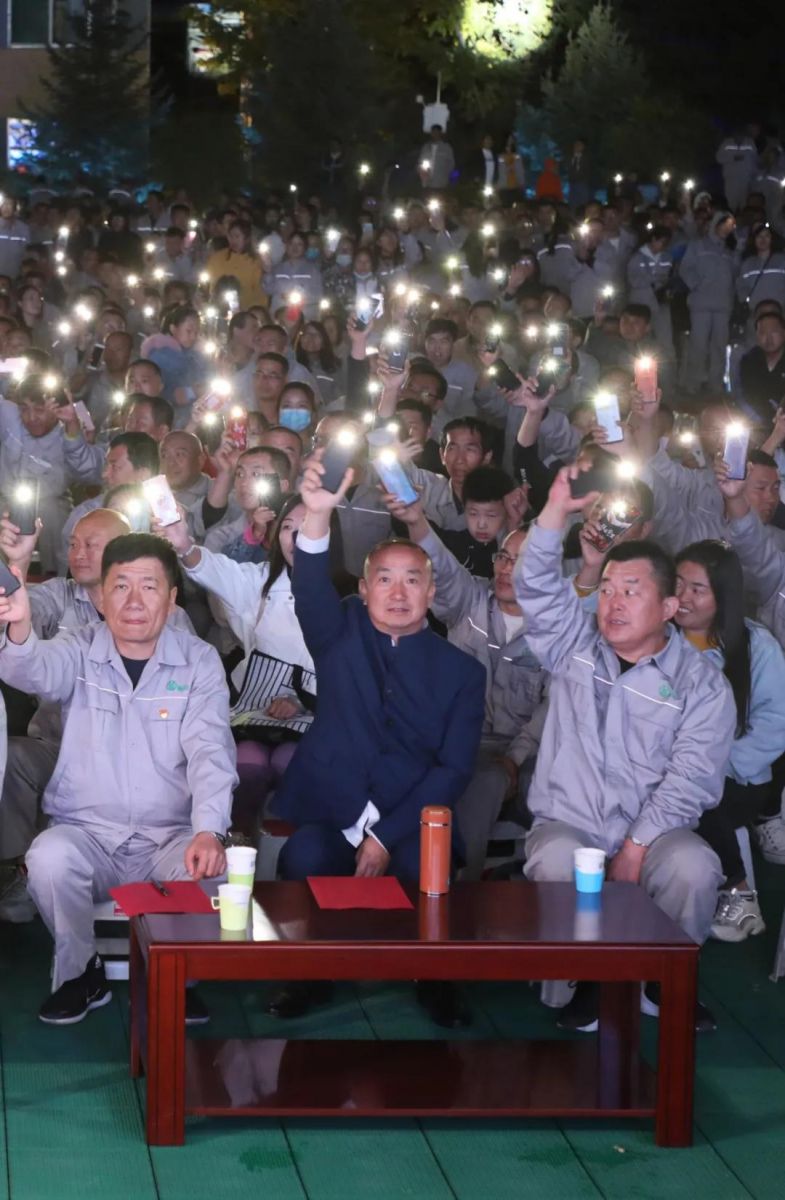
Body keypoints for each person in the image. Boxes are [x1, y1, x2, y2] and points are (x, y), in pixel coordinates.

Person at [514, 464, 736, 1033]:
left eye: (631, 592)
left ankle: (664, 983)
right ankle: (585, 980)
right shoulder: (573, 645)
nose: (612, 603)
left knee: (693, 863)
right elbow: (535, 587)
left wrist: (637, 845)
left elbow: (694, 779)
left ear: (669, 608)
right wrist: (552, 514)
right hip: (572, 822)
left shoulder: (702, 682)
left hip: (654, 832)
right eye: (607, 589)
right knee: (560, 859)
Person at [266, 449, 485, 1022]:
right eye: (383, 579)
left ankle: (432, 976)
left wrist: (385, 835)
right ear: (364, 591)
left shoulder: (462, 672)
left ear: (431, 595)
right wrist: (316, 515)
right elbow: (311, 587)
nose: (397, 592)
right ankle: (313, 974)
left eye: (412, 580)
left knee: (423, 870)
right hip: (335, 806)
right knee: (304, 854)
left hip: (411, 818)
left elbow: (453, 770)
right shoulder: (339, 634)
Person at [0, 533, 236, 1024]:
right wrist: (20, 627)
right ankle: (79, 975)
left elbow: (211, 750)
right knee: (47, 856)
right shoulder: (79, 648)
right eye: (121, 586)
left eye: (149, 587)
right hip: (91, 836)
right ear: (101, 597)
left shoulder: (198, 662)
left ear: (172, 599)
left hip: (170, 838)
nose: (133, 601)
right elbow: (35, 671)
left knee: (222, 872)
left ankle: (180, 977)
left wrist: (209, 830)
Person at [387, 495, 545, 879]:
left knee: (490, 778)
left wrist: (514, 759)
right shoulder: (470, 600)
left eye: (520, 562)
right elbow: (441, 566)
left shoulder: (555, 632)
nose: (507, 569)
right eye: (503, 558)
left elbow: (551, 709)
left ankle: (460, 884)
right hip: (459, 741)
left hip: (526, 756)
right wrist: (415, 520)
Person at [673, 541, 785, 941]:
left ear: (723, 596)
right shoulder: (659, 638)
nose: (683, 597)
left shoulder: (757, 645)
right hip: (667, 766)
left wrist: (719, 762)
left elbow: (776, 723)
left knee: (696, 792)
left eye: (697, 589)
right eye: (677, 583)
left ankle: (737, 888)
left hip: (737, 777)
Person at [679, 211, 737, 392]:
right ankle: (693, 384)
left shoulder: (729, 251)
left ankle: (716, 384)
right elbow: (685, 268)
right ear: (716, 224)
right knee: (699, 344)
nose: (727, 229)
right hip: (701, 303)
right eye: (724, 224)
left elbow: (735, 275)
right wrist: (697, 284)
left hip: (723, 305)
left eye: (730, 225)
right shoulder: (698, 246)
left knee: (719, 346)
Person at [206, 220, 267, 310]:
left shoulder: (255, 261)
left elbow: (258, 289)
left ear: (246, 238)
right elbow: (210, 283)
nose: (233, 240)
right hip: (219, 306)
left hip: (246, 307)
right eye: (231, 236)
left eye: (237, 236)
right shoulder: (217, 257)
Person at [739, 312, 785, 424]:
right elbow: (745, 395)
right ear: (756, 336)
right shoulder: (749, 360)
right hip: (757, 423)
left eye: (774, 332)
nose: (768, 338)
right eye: (763, 333)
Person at [419, 125, 456, 191]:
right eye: (433, 132)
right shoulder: (426, 147)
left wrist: (449, 179)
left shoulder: (446, 148)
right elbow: (421, 163)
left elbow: (451, 165)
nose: (435, 134)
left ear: (440, 133)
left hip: (441, 184)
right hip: (427, 184)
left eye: (437, 132)